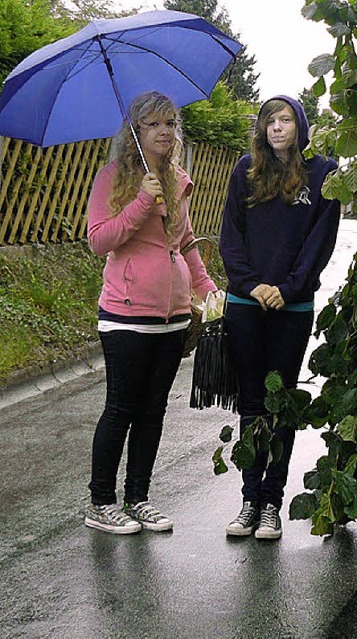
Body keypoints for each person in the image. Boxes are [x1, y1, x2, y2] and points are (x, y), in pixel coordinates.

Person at [85, 91, 217, 535]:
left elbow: (185, 245)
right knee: (121, 407)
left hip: (174, 317)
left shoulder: (177, 180)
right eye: (153, 124)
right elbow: (100, 240)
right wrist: (141, 201)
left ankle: (138, 497)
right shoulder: (113, 177)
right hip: (125, 316)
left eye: (170, 124)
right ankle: (101, 502)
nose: (164, 131)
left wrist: (208, 290)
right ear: (135, 132)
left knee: (154, 410)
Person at [220, 94, 340, 540]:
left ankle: (273, 501)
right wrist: (252, 285)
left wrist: (286, 290)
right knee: (251, 404)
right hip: (247, 306)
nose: (276, 127)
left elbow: (319, 245)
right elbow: (231, 236)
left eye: (285, 119)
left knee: (281, 402)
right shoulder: (244, 171)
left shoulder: (322, 174)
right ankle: (249, 501)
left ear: (300, 126)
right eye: (269, 120)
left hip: (292, 308)